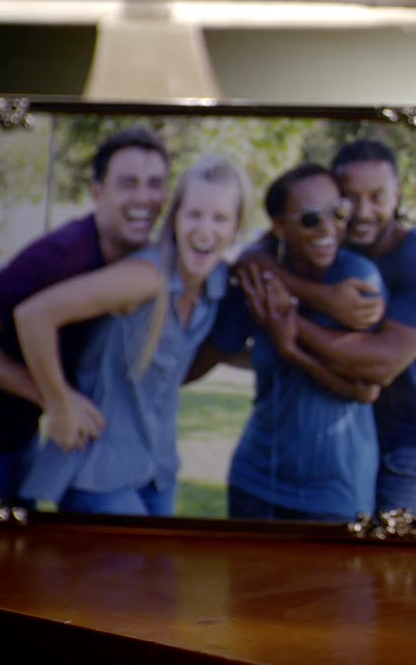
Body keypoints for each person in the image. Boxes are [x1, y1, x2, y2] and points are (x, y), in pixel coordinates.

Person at [0, 127, 170, 504]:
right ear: (97, 192)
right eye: (128, 184)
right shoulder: (63, 255)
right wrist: (55, 398)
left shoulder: (134, 262)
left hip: (20, 437)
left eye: (155, 184)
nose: (144, 198)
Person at [15, 153, 248, 516]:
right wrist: (58, 402)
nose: (205, 231)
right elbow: (34, 315)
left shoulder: (216, 284)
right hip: (97, 470)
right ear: (175, 218)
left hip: (158, 471)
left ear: (236, 228)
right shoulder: (145, 278)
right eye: (194, 215)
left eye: (220, 219)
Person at [237, 140, 416, 519]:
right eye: (351, 199)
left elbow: (380, 365)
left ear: (398, 194)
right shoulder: (329, 235)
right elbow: (250, 258)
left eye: (377, 197)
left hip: (405, 443)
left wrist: (289, 322)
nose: (363, 212)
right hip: (344, 440)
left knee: (392, 553)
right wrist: (325, 298)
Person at [195, 163, 386, 522]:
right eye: (311, 219)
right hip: (255, 483)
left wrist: (291, 349)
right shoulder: (258, 278)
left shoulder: (357, 277)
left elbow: (364, 389)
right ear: (280, 227)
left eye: (337, 211)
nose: (328, 228)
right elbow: (209, 353)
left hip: (335, 494)